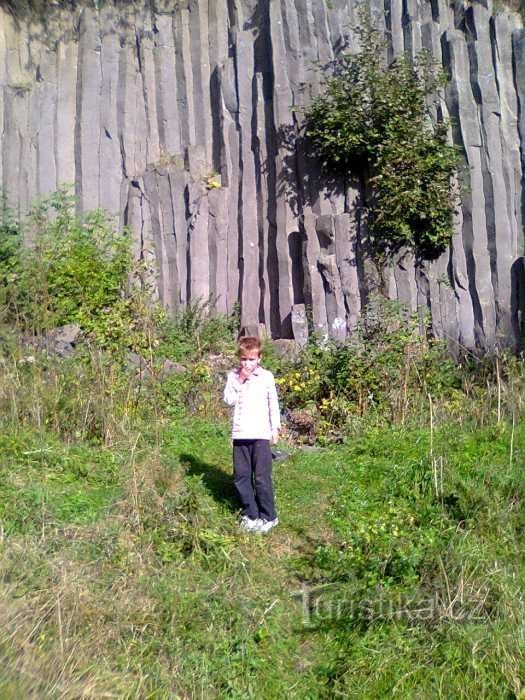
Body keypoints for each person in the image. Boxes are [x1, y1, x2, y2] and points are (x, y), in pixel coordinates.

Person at [223, 336, 281, 533]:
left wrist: (275, 428)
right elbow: (228, 400)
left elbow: (273, 403)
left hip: (261, 434)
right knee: (241, 476)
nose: (247, 363)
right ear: (239, 358)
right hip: (241, 434)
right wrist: (240, 379)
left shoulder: (266, 377)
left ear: (260, 358)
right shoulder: (233, 377)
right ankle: (251, 514)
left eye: (252, 359)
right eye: (244, 359)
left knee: (262, 477)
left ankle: (269, 516)